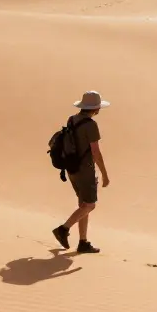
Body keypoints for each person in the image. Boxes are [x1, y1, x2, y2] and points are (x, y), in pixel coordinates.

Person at [53, 90, 110, 253]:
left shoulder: (72, 119)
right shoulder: (91, 125)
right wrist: (105, 175)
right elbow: (96, 152)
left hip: (72, 168)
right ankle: (63, 229)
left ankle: (83, 242)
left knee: (83, 204)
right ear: (96, 108)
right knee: (90, 205)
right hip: (85, 170)